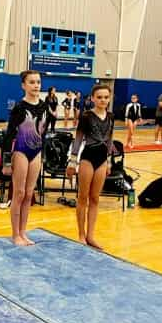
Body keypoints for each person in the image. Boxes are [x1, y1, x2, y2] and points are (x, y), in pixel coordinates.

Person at [66, 84, 114, 251]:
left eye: (106, 97)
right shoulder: (86, 116)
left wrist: (109, 160)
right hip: (87, 158)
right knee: (83, 197)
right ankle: (80, 234)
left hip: (102, 159)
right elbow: (78, 138)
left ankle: (91, 235)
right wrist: (73, 161)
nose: (103, 100)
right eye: (99, 97)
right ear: (92, 98)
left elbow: (109, 139)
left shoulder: (111, 116)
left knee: (95, 198)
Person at [2, 70, 47, 246]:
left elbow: (44, 132)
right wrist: (6, 161)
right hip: (20, 150)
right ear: (23, 85)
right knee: (19, 193)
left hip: (36, 151)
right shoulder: (19, 108)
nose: (36, 85)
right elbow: (9, 135)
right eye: (32, 82)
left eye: (38, 82)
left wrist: (42, 154)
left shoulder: (44, 107)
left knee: (29, 194)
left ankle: (23, 232)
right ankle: (15, 234)